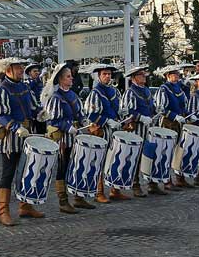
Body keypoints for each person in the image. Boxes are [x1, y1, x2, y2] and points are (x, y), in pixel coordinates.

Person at [0, 57, 37, 225]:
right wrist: (16, 127)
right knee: (8, 174)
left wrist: (40, 113)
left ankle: (25, 206)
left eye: (21, 67)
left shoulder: (24, 86)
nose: (21, 70)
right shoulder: (2, 89)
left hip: (26, 136)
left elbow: (33, 106)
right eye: (17, 68)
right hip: (10, 139)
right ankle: (3, 211)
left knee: (26, 172)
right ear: (8, 70)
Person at [44, 61, 87, 213]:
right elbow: (53, 120)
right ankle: (63, 201)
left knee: (76, 166)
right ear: (60, 79)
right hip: (63, 138)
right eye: (68, 77)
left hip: (76, 136)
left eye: (71, 76)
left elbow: (80, 113)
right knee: (63, 168)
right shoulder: (56, 98)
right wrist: (67, 127)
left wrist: (84, 121)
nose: (71, 79)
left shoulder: (73, 94)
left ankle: (78, 197)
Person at [82, 63, 126, 202]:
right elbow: (91, 114)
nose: (107, 76)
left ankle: (115, 190)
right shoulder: (95, 93)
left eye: (109, 74)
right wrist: (107, 121)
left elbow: (117, 108)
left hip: (115, 130)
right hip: (103, 131)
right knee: (100, 161)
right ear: (98, 76)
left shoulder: (115, 91)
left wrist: (121, 115)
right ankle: (99, 192)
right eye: (104, 74)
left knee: (116, 159)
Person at [122, 65, 161, 196]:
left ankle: (152, 183)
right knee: (137, 157)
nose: (144, 77)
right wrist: (141, 117)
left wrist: (156, 112)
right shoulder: (130, 92)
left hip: (149, 128)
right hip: (137, 129)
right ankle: (135, 184)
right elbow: (128, 112)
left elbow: (151, 106)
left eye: (144, 75)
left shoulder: (147, 91)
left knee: (151, 155)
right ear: (134, 78)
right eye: (141, 75)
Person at [154, 65, 192, 188]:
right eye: (174, 74)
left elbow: (184, 104)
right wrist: (174, 116)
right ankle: (166, 179)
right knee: (166, 151)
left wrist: (188, 115)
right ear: (167, 76)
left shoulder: (180, 88)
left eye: (177, 74)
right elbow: (160, 108)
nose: (177, 76)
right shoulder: (163, 88)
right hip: (167, 122)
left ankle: (179, 177)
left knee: (179, 150)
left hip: (180, 123)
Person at [24, 63, 45, 133]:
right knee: (32, 132)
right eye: (34, 71)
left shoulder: (40, 82)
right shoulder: (26, 82)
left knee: (43, 131)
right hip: (32, 112)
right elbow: (28, 88)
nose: (37, 73)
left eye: (38, 71)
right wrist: (37, 80)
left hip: (41, 110)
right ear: (29, 73)